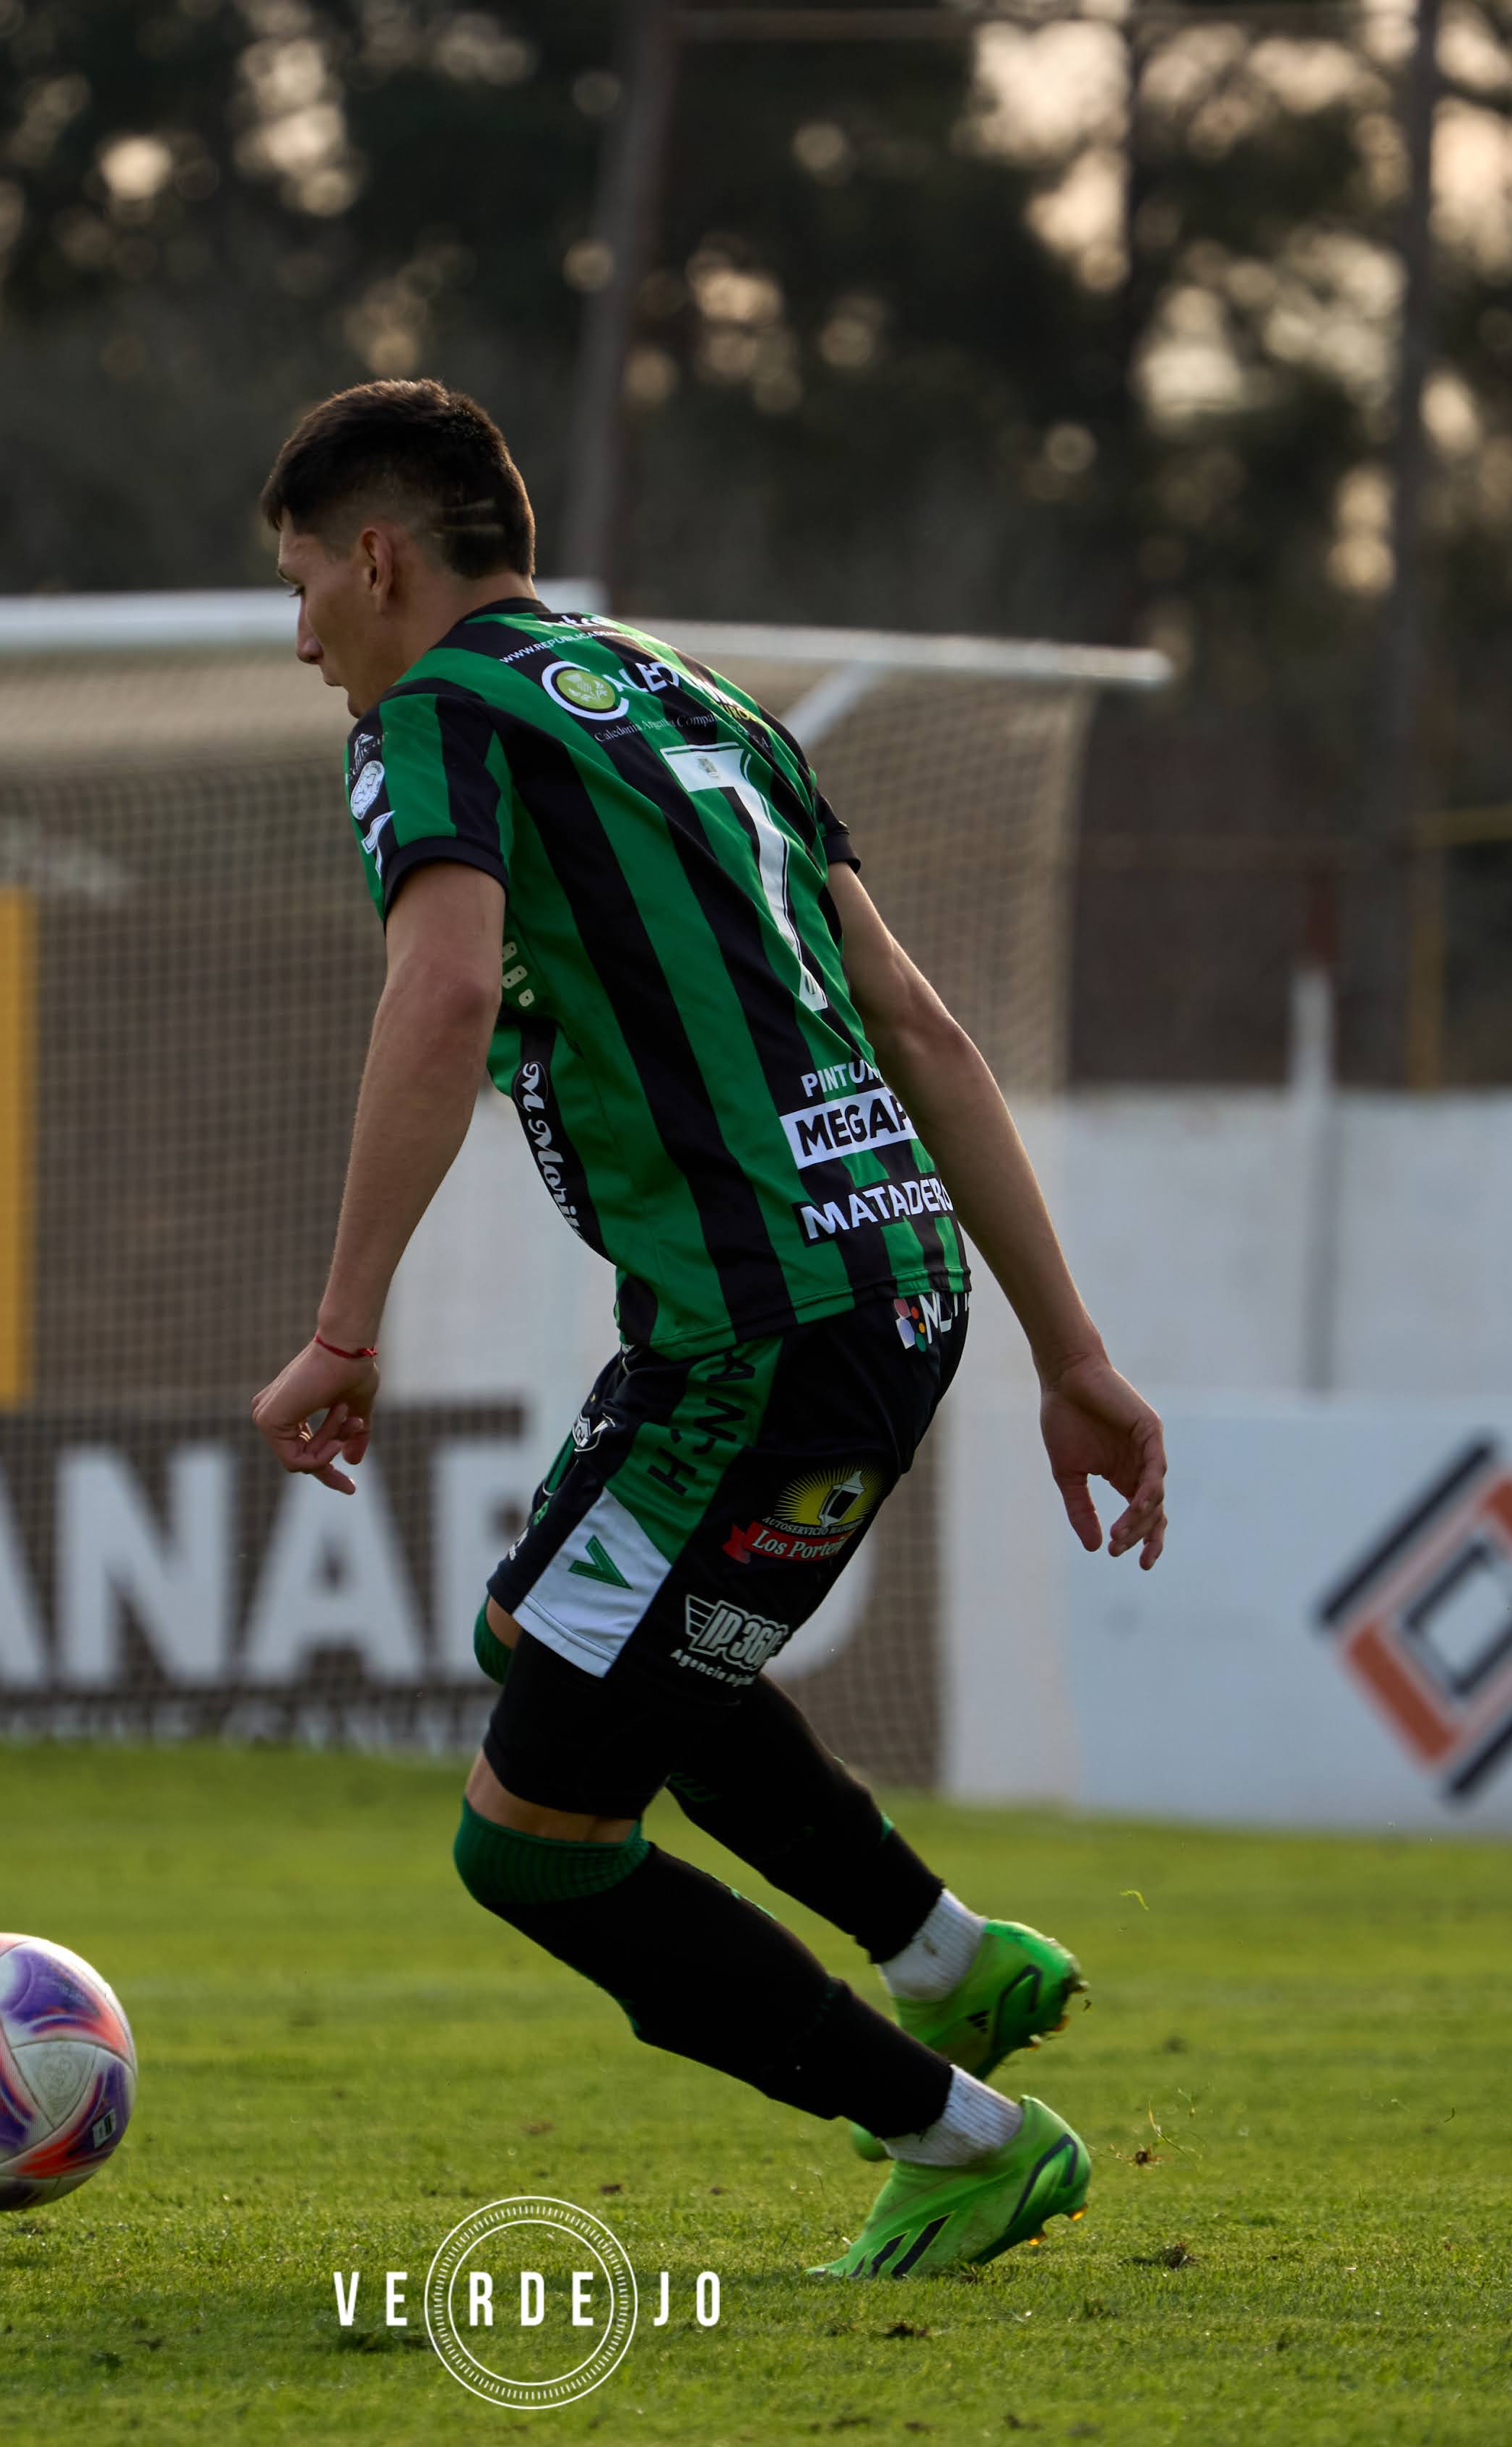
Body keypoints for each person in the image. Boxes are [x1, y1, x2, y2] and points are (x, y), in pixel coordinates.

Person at [246, 383, 1171, 2277]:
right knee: (550, 1631)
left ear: (376, 556)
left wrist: (345, 1322)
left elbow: (440, 990)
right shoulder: (693, 697)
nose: (301, 639)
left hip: (757, 1334)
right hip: (879, 1290)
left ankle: (955, 2134)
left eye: (300, 587)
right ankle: (945, 1959)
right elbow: (917, 1023)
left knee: (530, 1838)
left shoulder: (435, 720)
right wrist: (1068, 1349)